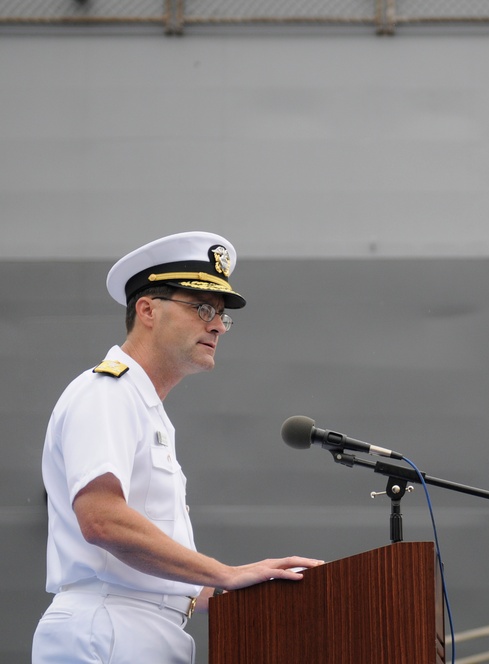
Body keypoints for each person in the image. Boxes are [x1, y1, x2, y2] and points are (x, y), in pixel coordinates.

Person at [32, 231, 324, 663]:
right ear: (147, 310)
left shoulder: (144, 407)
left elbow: (143, 568)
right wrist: (226, 573)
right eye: (203, 307)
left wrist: (244, 584)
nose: (218, 325)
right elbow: (102, 520)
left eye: (223, 315)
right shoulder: (107, 393)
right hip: (111, 628)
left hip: (146, 628)